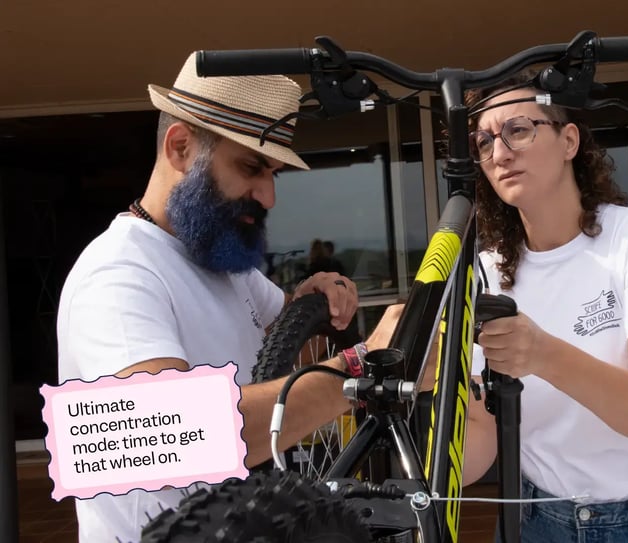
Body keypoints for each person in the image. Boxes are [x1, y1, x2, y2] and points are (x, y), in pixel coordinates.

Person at [56, 52, 400, 543]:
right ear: (180, 147)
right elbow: (176, 438)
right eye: (251, 167)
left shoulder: (221, 263)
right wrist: (364, 368)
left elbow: (292, 353)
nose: (269, 196)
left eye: (273, 174)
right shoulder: (118, 274)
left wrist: (314, 301)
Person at [462, 72, 628, 542]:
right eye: (484, 142)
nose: (499, 153)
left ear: (569, 141)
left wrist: (543, 354)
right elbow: (481, 441)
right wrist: (429, 396)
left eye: (518, 130)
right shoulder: (485, 273)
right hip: (540, 519)